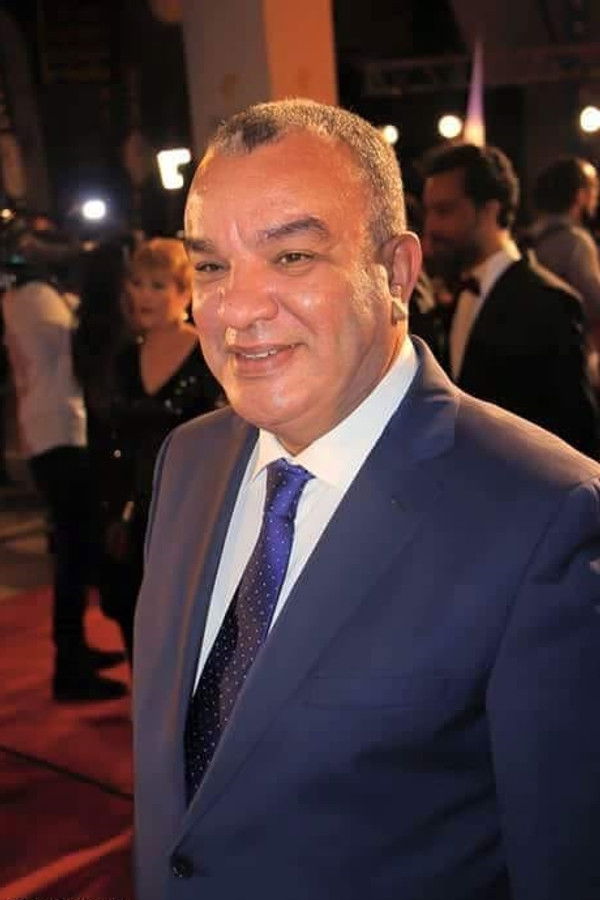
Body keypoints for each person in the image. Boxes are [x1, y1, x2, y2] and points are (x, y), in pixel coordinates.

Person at [133, 99, 600, 900]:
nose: (237, 308)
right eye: (210, 266)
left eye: (291, 257)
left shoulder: (546, 515)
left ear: (397, 273)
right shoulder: (189, 459)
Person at [1, 221, 126, 702]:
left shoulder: (33, 296)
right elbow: (77, 352)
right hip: (58, 435)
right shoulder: (34, 298)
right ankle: (69, 664)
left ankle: (74, 651)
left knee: (75, 550)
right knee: (74, 553)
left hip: (53, 431)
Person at [422, 142, 599, 458]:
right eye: (429, 212)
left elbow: (577, 440)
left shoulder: (550, 303)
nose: (430, 227)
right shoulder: (456, 296)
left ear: (490, 211)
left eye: (444, 211)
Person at [98, 237, 222, 660]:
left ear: (185, 292)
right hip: (132, 512)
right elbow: (109, 440)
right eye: (136, 283)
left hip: (193, 511)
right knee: (133, 620)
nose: (143, 296)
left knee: (188, 632)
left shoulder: (208, 353)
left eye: (157, 285)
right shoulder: (122, 358)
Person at [528, 155, 600, 324]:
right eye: (594, 187)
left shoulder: (528, 238)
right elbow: (596, 305)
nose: (597, 196)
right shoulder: (576, 243)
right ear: (580, 195)